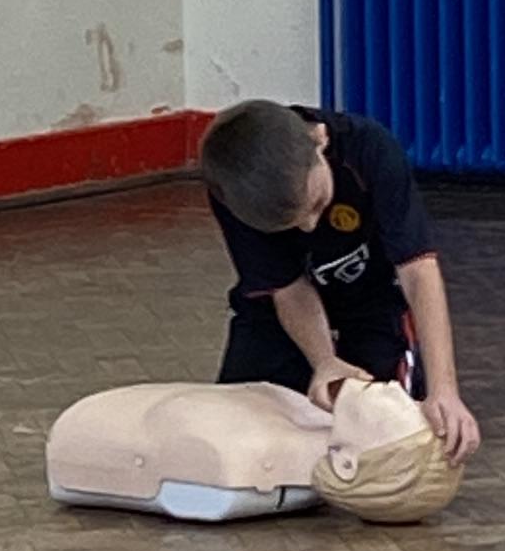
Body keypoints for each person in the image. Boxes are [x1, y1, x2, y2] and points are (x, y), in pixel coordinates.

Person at [199, 97, 480, 462]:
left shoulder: (369, 149)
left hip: (372, 300)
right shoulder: (233, 191)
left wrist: (445, 389)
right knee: (236, 428)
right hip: (281, 311)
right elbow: (288, 287)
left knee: (390, 432)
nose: (309, 226)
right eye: (288, 226)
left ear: (320, 139)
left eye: (316, 205)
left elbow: (417, 268)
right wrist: (324, 361)